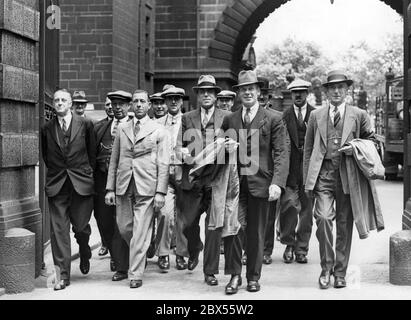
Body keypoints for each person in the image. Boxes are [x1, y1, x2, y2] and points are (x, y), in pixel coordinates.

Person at [303, 70, 381, 289]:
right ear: (326, 92)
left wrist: (355, 147)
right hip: (323, 175)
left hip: (348, 176)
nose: (336, 91)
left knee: (344, 225)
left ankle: (340, 272)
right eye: (332, 88)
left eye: (340, 87)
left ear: (347, 90)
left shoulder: (360, 114)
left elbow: (373, 142)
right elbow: (308, 150)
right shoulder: (316, 115)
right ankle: (326, 267)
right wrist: (307, 182)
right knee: (324, 218)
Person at [222, 70, 289, 292]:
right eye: (243, 89)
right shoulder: (230, 119)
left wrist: (277, 183)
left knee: (257, 233)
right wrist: (226, 149)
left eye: (251, 88)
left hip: (262, 184)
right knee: (234, 228)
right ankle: (234, 276)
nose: (247, 92)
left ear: (259, 92)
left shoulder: (273, 118)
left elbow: (281, 153)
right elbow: (221, 152)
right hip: (235, 185)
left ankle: (253, 277)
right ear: (238, 93)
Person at [176, 75, 241, 292]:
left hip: (216, 179)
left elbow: (234, 145)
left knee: (214, 227)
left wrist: (232, 148)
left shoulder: (228, 117)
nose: (206, 95)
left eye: (210, 92)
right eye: (202, 92)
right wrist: (183, 153)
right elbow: (178, 146)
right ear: (197, 94)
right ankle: (194, 248)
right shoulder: (187, 117)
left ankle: (209, 271)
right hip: (193, 180)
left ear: (215, 95)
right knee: (188, 223)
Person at [105, 89, 170, 289]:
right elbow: (114, 160)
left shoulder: (159, 129)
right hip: (124, 184)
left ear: (149, 105)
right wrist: (110, 189)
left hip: (147, 185)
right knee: (125, 227)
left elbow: (164, 163)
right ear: (131, 105)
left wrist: (160, 192)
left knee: (140, 230)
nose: (139, 104)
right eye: (136, 101)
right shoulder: (122, 129)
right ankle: (144, 242)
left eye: (143, 101)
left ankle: (135, 273)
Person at [40, 89, 96, 291]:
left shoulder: (86, 124)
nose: (59, 103)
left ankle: (84, 247)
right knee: (58, 231)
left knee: (80, 227)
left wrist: (86, 175)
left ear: (71, 103)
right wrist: (58, 174)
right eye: (56, 100)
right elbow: (47, 156)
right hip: (57, 185)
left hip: (81, 183)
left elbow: (92, 153)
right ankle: (62, 275)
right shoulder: (47, 128)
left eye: (63, 100)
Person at [94, 91, 134, 282]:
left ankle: (121, 266)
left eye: (121, 104)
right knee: (104, 221)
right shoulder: (101, 127)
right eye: (114, 104)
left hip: (127, 182)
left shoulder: (135, 126)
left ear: (129, 106)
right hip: (103, 182)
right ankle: (114, 253)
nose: (117, 108)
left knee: (122, 224)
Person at [279, 79, 314, 265]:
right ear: (291, 95)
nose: (298, 95)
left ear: (307, 93)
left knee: (307, 213)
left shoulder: (316, 114)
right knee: (289, 207)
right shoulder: (284, 116)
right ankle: (289, 243)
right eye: (295, 92)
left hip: (309, 173)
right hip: (290, 172)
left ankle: (301, 249)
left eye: (301, 92)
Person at [155, 85, 189, 272]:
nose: (173, 101)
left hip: (184, 174)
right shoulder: (156, 123)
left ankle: (182, 254)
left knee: (183, 216)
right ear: (165, 101)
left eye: (177, 98)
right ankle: (163, 253)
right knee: (165, 213)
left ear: (181, 101)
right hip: (164, 175)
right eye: (170, 98)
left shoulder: (190, 120)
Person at [96, 97, 114, 258]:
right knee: (103, 215)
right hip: (102, 177)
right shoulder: (99, 127)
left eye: (113, 104)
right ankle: (106, 242)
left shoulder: (128, 123)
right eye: (107, 104)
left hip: (123, 178)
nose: (110, 107)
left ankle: (117, 254)